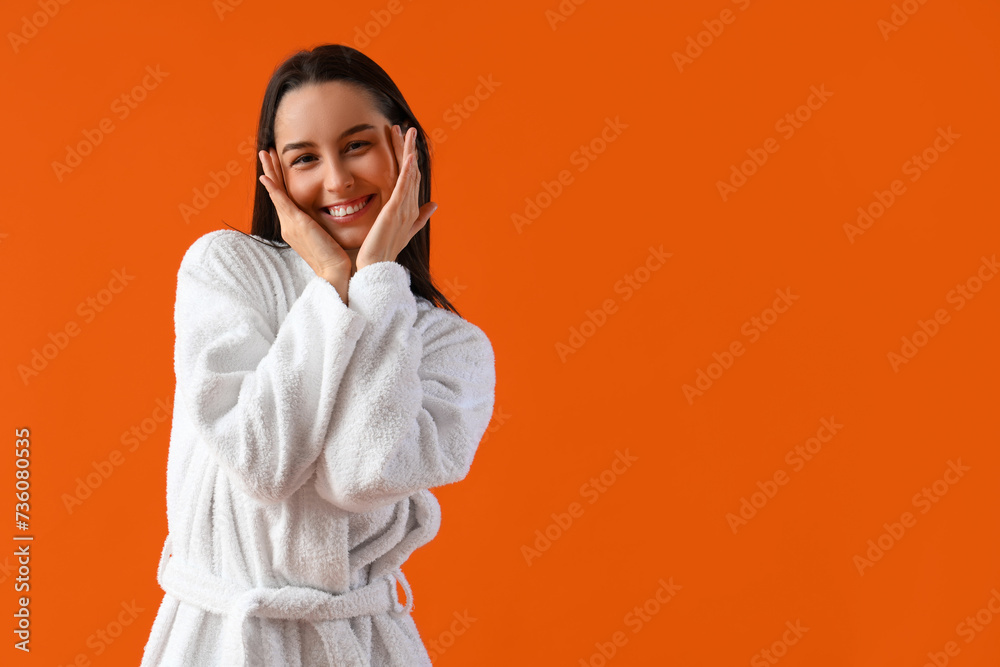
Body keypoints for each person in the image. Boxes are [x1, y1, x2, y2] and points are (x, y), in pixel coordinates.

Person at [139, 44, 496, 666]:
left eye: (357, 145)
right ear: (273, 174)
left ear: (406, 149)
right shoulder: (226, 269)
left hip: (362, 643)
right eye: (306, 158)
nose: (337, 180)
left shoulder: (451, 347)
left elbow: (362, 473)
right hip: (220, 641)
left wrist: (377, 283)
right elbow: (261, 461)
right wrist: (330, 281)